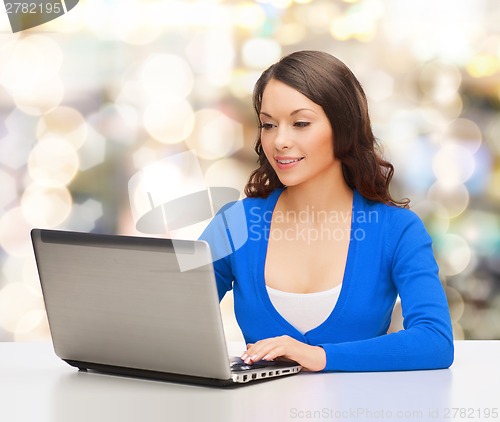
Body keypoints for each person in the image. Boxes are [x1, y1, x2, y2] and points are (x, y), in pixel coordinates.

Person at [200, 50, 454, 372]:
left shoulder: (397, 230)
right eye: (268, 125)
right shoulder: (235, 223)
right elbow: (171, 315)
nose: (279, 141)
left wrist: (319, 357)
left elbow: (435, 341)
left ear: (343, 127)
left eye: (300, 123)